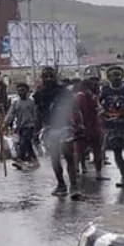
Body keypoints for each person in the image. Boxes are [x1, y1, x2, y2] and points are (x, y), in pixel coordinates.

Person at [34, 67, 81, 199]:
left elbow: (75, 109)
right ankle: (61, 185)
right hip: (49, 129)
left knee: (69, 157)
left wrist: (79, 124)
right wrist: (36, 132)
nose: (49, 79)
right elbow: (38, 114)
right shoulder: (39, 95)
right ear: (42, 78)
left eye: (51, 76)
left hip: (65, 127)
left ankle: (74, 186)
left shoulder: (64, 92)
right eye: (46, 76)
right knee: (55, 159)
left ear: (56, 77)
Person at [99, 65, 124, 188]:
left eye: (118, 75)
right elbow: (98, 102)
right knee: (117, 151)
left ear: (122, 76)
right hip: (110, 125)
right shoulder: (105, 90)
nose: (116, 78)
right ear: (109, 77)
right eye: (113, 75)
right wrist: (102, 111)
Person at [74, 76, 107, 181]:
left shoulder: (78, 97)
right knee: (97, 150)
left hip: (82, 127)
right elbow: (100, 110)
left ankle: (78, 170)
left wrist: (78, 124)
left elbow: (75, 111)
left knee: (79, 151)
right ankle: (98, 173)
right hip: (94, 127)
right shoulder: (94, 97)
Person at [4, 83, 38, 165]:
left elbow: (36, 114)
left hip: (30, 126)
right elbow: (10, 114)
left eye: (23, 90)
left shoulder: (32, 102)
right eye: (19, 91)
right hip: (20, 126)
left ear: (27, 91)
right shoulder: (16, 103)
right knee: (27, 143)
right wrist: (5, 123)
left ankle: (20, 158)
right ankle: (33, 158)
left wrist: (37, 126)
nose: (21, 93)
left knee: (23, 142)